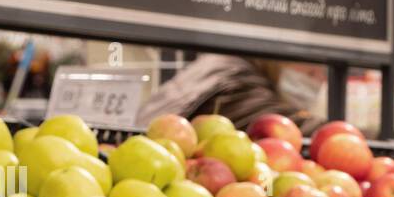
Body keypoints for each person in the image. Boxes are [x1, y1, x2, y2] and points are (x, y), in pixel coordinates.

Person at [136, 53, 322, 133]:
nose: (319, 79)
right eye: (312, 72)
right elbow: (274, 124)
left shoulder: (222, 63)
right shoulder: (236, 80)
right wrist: (345, 134)